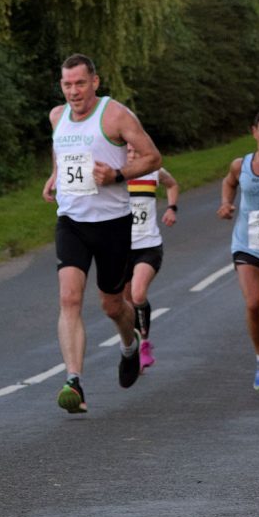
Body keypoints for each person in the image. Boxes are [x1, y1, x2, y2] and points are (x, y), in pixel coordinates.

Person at [42, 54, 161, 414]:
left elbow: (152, 157)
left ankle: (129, 343)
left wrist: (118, 174)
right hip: (72, 221)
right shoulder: (57, 115)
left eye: (80, 83)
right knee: (69, 299)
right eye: (67, 85)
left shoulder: (115, 115)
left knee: (112, 304)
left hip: (112, 223)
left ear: (94, 81)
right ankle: (74, 381)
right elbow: (61, 149)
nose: (73, 91)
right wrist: (54, 175)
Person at [217, 106, 259, 395]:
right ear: (254, 133)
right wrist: (226, 203)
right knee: (254, 303)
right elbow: (229, 183)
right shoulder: (240, 165)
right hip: (248, 246)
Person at [123, 150, 179, 369]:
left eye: (136, 150)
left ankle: (144, 343)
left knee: (138, 294)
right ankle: (130, 345)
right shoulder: (112, 174)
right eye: (127, 150)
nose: (132, 154)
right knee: (124, 302)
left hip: (148, 245)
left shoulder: (153, 171)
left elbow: (172, 184)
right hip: (120, 249)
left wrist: (172, 208)